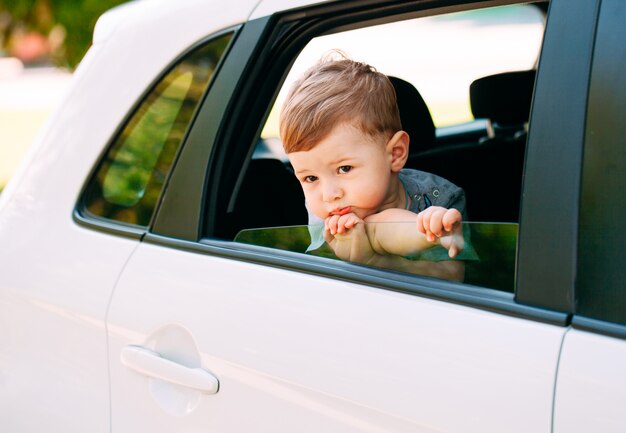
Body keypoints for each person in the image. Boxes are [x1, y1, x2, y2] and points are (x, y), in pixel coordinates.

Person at [279, 54, 467, 277]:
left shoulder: (439, 198)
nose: (329, 195)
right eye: (310, 178)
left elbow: (454, 277)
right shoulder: (324, 211)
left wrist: (379, 260)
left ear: (396, 154)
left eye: (345, 168)